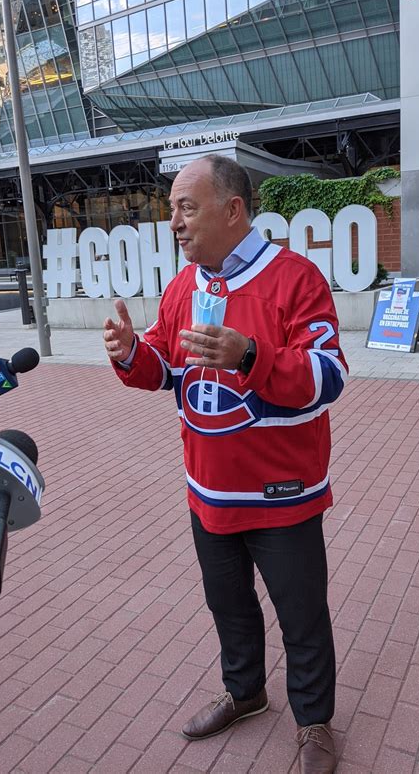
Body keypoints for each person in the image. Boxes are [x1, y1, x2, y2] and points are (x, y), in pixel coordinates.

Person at [104, 155, 348, 774]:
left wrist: (251, 356)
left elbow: (328, 377)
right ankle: (246, 692)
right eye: (172, 210)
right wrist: (132, 353)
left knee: (301, 614)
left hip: (281, 492)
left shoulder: (296, 280)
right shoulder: (186, 286)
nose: (175, 223)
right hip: (208, 490)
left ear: (232, 210)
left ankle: (314, 722)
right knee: (228, 604)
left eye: (187, 208)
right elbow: (164, 369)